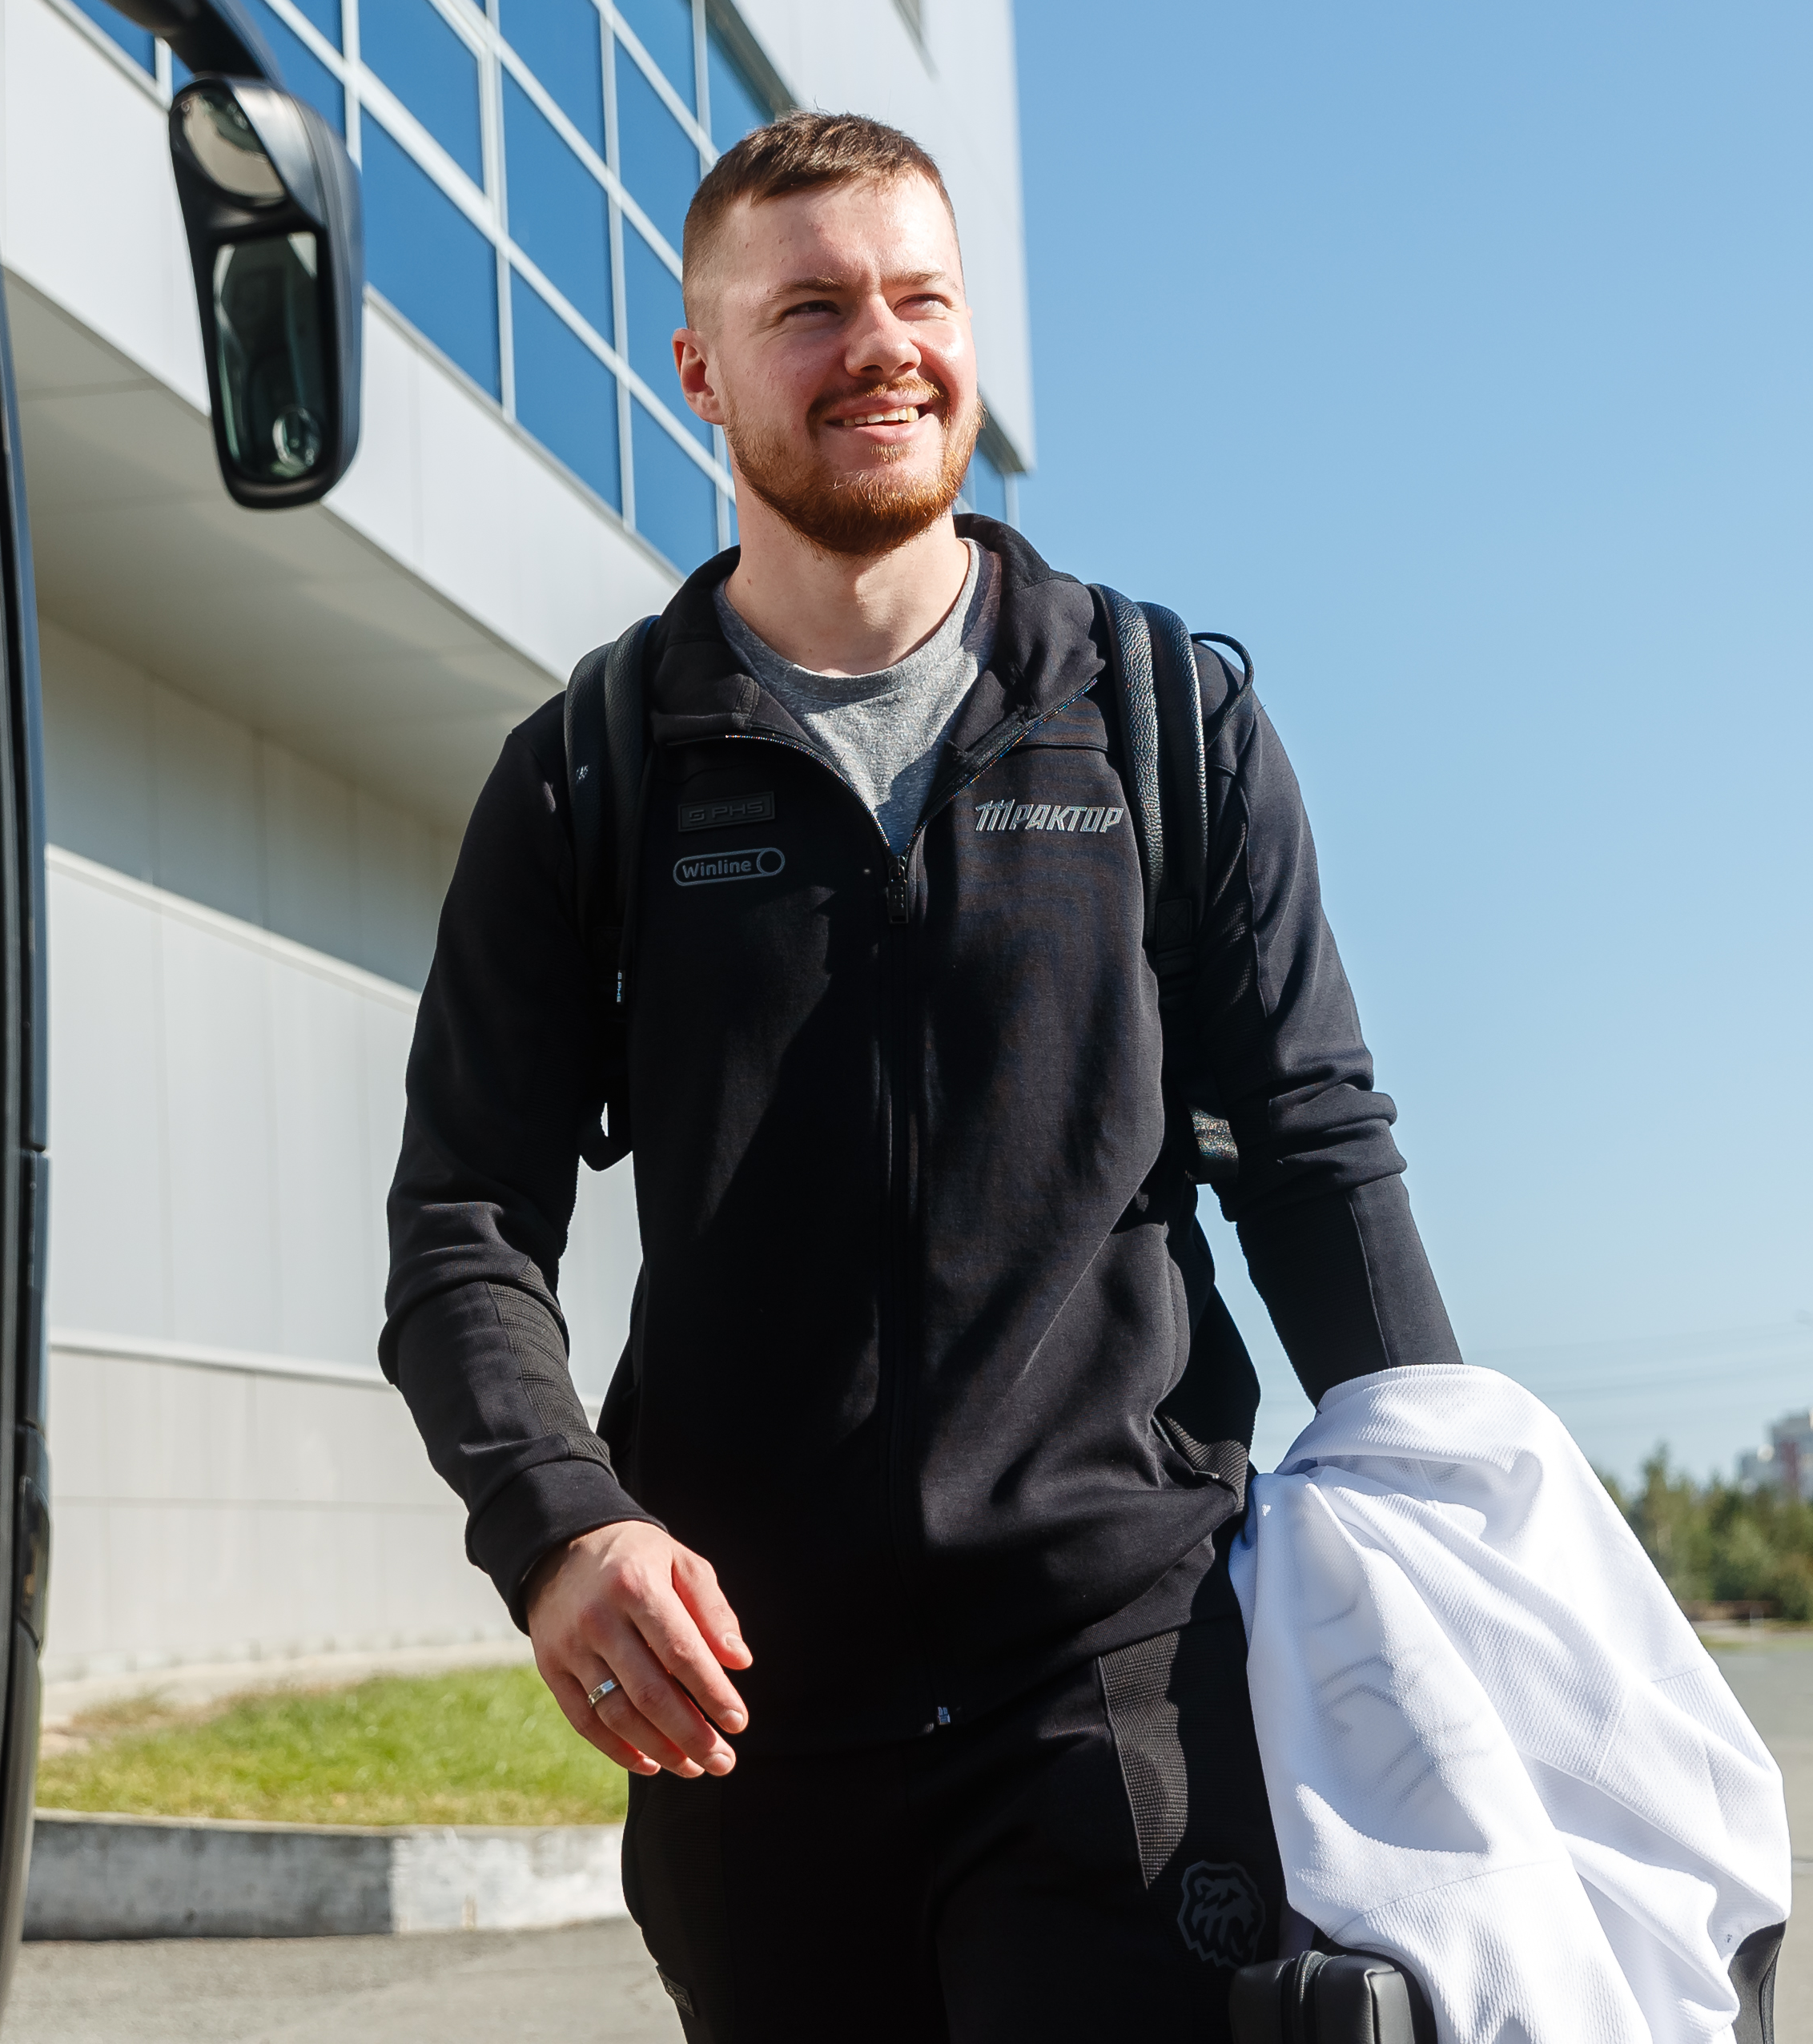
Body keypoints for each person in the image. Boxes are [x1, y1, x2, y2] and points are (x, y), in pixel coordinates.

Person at [380, 111, 1464, 2042]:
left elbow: (1312, 1153)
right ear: (701, 368)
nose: (882, 345)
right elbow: (465, 1224)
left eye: (921, 298)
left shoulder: (1163, 720)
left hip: (1117, 1686)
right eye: (811, 308)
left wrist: (1470, 1518)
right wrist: (560, 1525)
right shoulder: (589, 777)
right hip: (750, 1731)